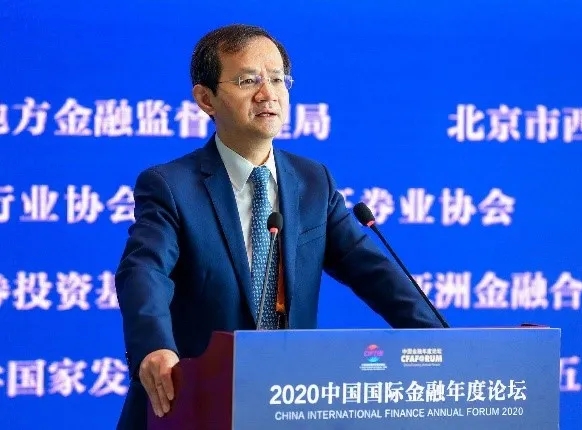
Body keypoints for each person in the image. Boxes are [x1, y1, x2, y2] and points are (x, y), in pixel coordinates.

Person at [114, 23, 447, 429]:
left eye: (277, 79)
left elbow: (374, 272)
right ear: (205, 99)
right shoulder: (171, 186)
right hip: (192, 404)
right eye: (247, 81)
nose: (267, 93)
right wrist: (154, 348)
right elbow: (145, 270)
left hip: (286, 405)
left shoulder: (313, 182)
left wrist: (446, 343)